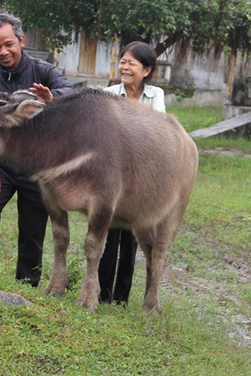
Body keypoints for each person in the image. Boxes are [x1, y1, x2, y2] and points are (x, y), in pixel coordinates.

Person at [0, 12, 73, 284]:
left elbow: (70, 94)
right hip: (2, 164)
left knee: (33, 228)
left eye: (8, 44)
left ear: (21, 40)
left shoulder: (44, 71)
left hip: (37, 167)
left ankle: (27, 284)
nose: (2, 51)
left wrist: (52, 98)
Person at [99, 41, 165, 304]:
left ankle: (121, 298)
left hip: (140, 178)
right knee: (108, 232)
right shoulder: (107, 94)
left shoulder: (155, 95)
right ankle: (102, 293)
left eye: (131, 63)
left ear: (146, 70)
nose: (124, 67)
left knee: (131, 239)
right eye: (122, 62)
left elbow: (156, 128)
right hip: (112, 174)